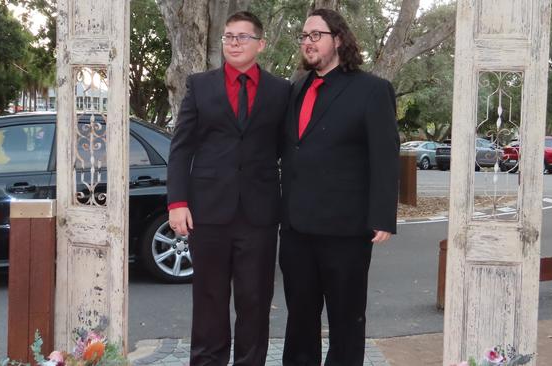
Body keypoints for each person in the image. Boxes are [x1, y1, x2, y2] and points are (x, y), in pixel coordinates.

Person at [166, 11, 291, 366]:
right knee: (209, 300)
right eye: (228, 37)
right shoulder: (199, 85)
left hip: (260, 215)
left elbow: (289, 149)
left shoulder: (281, 91)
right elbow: (182, 147)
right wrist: (177, 201)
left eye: (242, 37)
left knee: (254, 301)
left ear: (261, 44)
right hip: (208, 212)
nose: (233, 43)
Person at [279, 8, 399, 366]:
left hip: (345, 231)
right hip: (296, 228)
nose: (308, 42)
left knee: (346, 321)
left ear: (339, 40)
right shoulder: (296, 87)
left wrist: (382, 215)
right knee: (299, 319)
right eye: (304, 36)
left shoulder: (372, 90)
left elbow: (385, 155)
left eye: (316, 35)